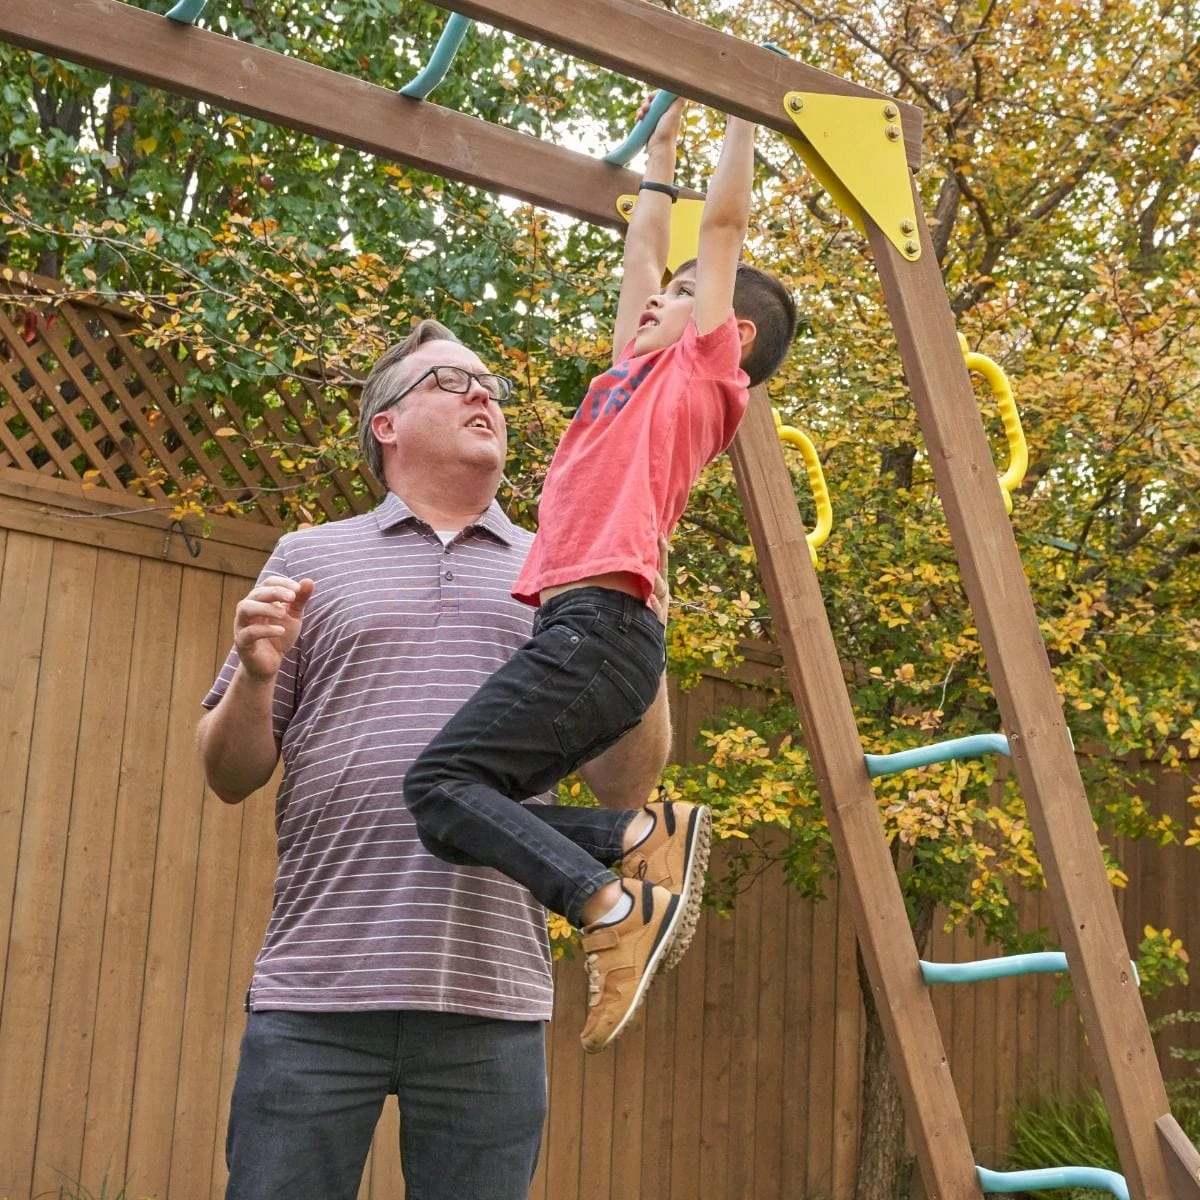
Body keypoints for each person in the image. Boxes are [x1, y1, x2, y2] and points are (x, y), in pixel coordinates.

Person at [196, 316, 678, 1199]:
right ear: (386, 423)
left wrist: (639, 614)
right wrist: (257, 678)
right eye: (452, 381)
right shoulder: (310, 556)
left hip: (492, 999)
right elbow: (229, 775)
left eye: (488, 382)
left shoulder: (563, 570)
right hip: (317, 989)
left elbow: (624, 784)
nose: (484, 392)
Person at [403, 97, 798, 1055]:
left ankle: (610, 899)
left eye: (682, 295)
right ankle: (627, 844)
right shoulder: (628, 376)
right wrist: (658, 154)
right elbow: (641, 255)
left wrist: (741, 103)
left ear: (726, 329)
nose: (656, 299)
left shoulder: (706, 379)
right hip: (582, 635)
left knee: (440, 783)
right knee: (459, 810)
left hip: (604, 628)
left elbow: (726, 229)